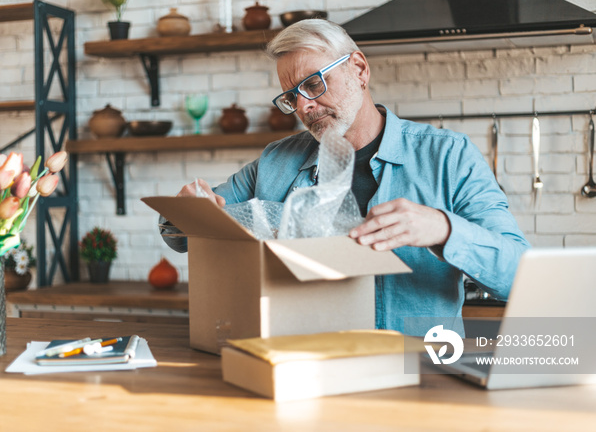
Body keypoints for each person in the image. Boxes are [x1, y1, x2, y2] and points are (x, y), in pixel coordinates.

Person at [160, 19, 530, 335]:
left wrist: (444, 229)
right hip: (307, 367)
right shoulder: (276, 161)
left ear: (359, 69)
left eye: (314, 84)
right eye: (291, 96)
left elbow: (522, 277)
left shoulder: (448, 156)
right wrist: (188, 211)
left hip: (419, 372)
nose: (304, 106)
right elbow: (180, 236)